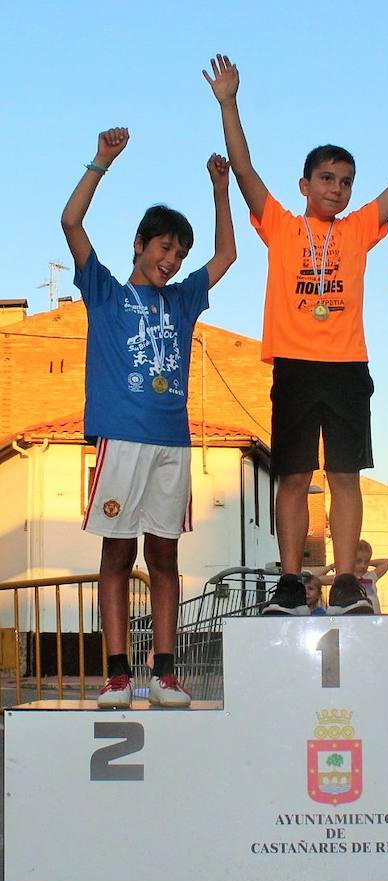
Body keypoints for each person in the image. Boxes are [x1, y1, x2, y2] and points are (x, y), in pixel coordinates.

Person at [203, 53, 388, 616]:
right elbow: (243, 168)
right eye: (327, 180)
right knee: (292, 475)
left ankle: (345, 585)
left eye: (345, 182)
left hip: (347, 370)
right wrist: (229, 102)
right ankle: (290, 582)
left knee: (345, 476)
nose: (337, 189)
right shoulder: (283, 227)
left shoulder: (359, 229)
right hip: (293, 364)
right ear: (305, 184)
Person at [61, 127, 236, 709]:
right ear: (140, 244)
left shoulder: (182, 300)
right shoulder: (106, 293)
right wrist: (100, 162)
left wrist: (220, 189)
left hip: (172, 444)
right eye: (164, 248)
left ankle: (165, 672)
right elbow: (71, 224)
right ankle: (116, 674)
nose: (171, 260)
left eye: (179, 254)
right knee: (118, 553)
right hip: (121, 440)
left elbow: (228, 256)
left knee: (165, 556)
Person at [320, 540, 388, 614]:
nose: (363, 566)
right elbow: (317, 578)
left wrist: (368, 562)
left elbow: (387, 562)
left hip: (374, 617)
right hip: (354, 616)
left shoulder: (371, 576)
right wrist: (331, 566)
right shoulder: (344, 579)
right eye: (358, 561)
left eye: (366, 562)